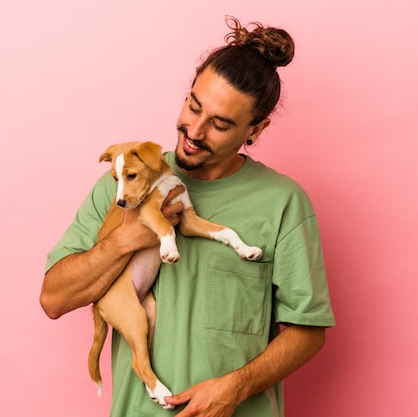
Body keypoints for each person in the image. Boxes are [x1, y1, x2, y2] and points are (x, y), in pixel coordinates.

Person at [40, 16, 335, 417]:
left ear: (256, 129)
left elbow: (309, 331)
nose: (194, 130)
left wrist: (236, 387)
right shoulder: (126, 183)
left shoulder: (283, 202)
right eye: (193, 106)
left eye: (219, 123)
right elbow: (54, 299)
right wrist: (129, 236)